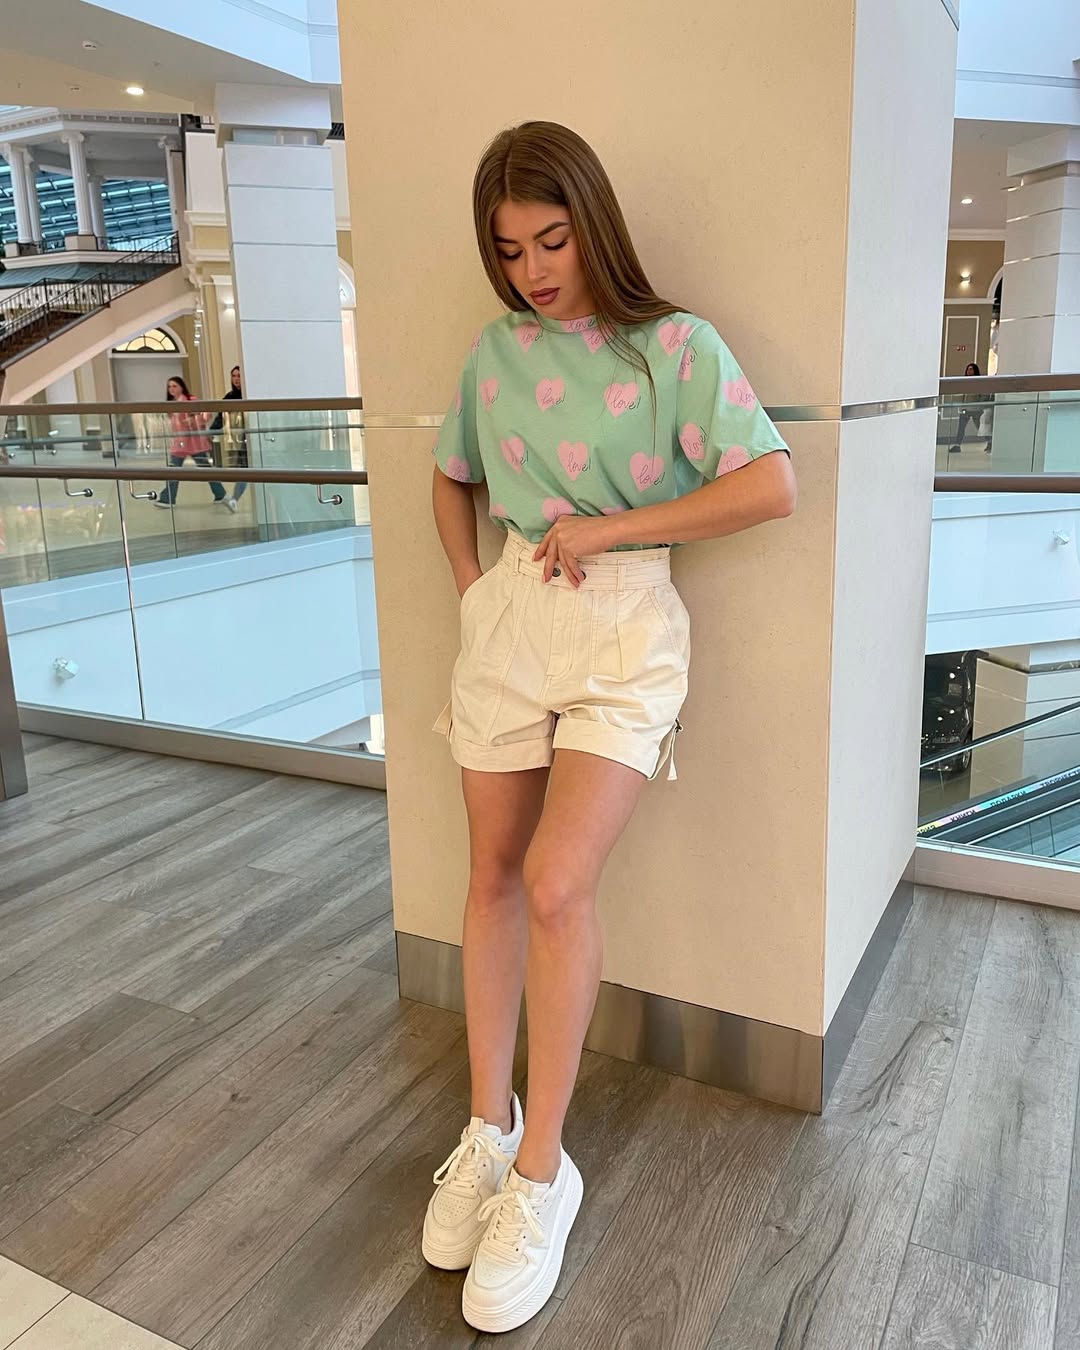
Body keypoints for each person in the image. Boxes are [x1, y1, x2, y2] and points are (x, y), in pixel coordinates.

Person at [426, 121, 797, 1335]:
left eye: (552, 239)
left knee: (555, 882)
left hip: (626, 623)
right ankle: (487, 1131)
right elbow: (452, 473)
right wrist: (474, 591)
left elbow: (770, 483)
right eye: (509, 250)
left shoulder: (673, 347)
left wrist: (610, 530)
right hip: (510, 615)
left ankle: (545, 1173)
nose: (533, 270)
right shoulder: (494, 353)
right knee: (488, 874)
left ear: (592, 223)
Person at [154, 376, 232, 509]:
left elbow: (206, 415)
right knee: (176, 470)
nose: (171, 389)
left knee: (202, 470)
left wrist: (194, 421)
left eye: (174, 386)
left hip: (194, 442)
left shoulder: (190, 400)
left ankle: (168, 498)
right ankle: (168, 498)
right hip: (180, 443)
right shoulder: (172, 404)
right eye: (169, 386)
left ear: (181, 387)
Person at [209, 365, 248, 508]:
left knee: (247, 471)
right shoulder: (230, 397)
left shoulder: (248, 395)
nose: (236, 379)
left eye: (239, 376)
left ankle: (234, 499)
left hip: (250, 438)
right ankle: (234, 499)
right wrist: (212, 431)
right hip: (240, 440)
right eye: (234, 376)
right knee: (245, 471)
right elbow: (220, 416)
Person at [948, 362, 983, 454]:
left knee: (980, 427)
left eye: (971, 369)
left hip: (975, 409)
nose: (968, 371)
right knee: (961, 428)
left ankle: (990, 442)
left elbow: (981, 395)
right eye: (968, 369)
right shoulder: (964, 381)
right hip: (965, 409)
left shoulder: (979, 382)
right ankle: (957, 445)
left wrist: (980, 406)